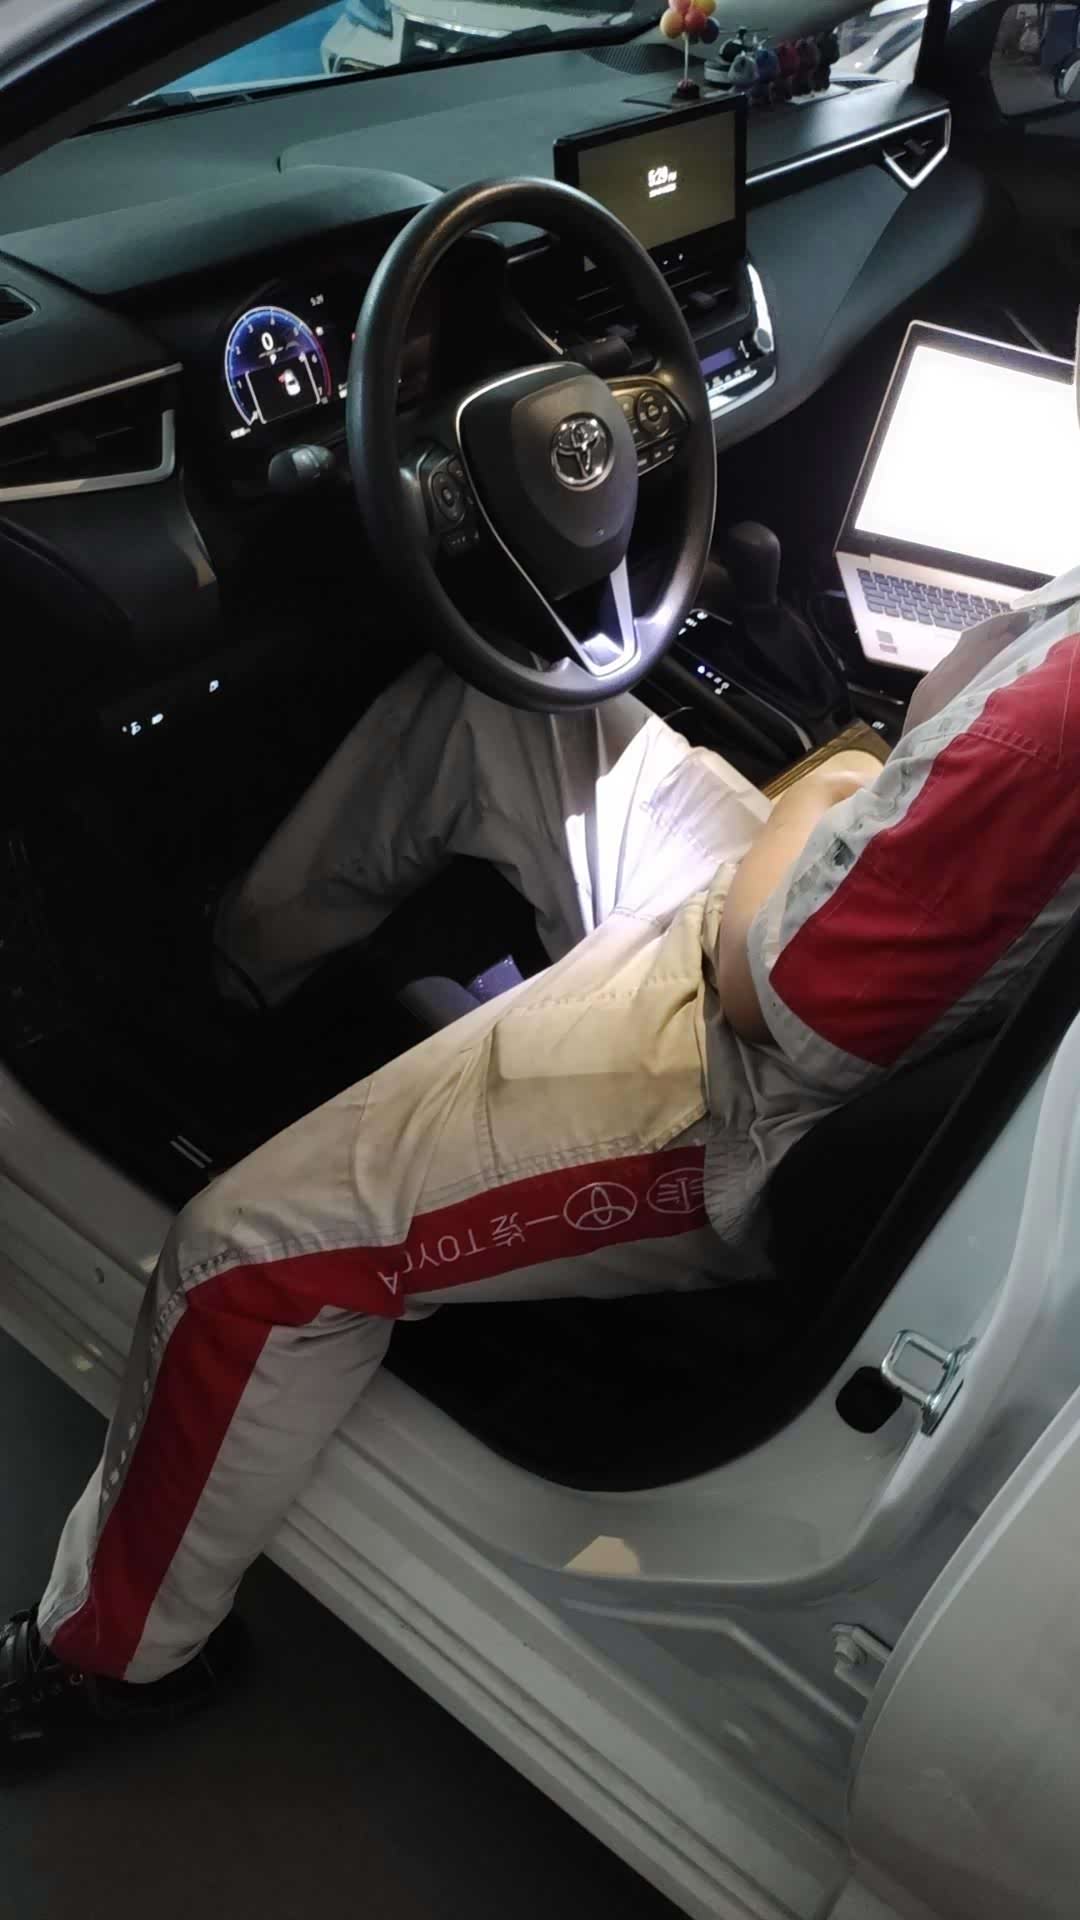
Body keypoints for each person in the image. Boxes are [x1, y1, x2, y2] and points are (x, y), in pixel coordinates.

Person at [6, 426, 1080, 1769]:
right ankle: (240, 990)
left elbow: (776, 998)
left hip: (749, 1085)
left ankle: (115, 1657)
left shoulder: (1056, 729)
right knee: (491, 709)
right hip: (815, 934)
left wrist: (835, 789)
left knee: (241, 1261)